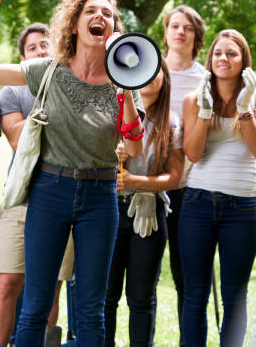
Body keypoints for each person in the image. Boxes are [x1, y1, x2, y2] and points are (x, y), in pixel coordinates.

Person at [0, 0, 144, 346]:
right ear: (75, 25)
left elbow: (136, 144)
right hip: (50, 190)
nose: (100, 17)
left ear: (114, 28)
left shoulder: (127, 79)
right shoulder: (48, 71)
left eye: (108, 14)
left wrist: (125, 85)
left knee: (91, 309)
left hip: (100, 194)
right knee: (34, 305)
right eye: (91, 11)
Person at [180, 29, 256, 346]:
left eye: (232, 53)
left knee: (235, 296)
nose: (224, 58)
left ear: (244, 61)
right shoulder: (194, 99)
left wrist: (245, 109)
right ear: (210, 59)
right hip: (197, 205)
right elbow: (192, 153)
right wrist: (206, 113)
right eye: (219, 53)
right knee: (195, 294)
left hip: (242, 207)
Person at [0, 23, 74, 346]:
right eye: (33, 48)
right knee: (8, 283)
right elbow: (14, 138)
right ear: (23, 58)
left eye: (46, 45)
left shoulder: (76, 84)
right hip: (22, 197)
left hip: (63, 196)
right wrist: (48, 96)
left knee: (50, 285)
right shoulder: (13, 91)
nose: (41, 51)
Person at [104, 59, 184, 347]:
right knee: (107, 295)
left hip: (149, 213)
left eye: (156, 71)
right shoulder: (111, 112)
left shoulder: (171, 122)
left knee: (141, 296)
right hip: (109, 211)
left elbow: (175, 178)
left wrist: (138, 182)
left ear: (164, 78)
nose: (150, 77)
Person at [161, 5, 207, 346]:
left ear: (196, 36)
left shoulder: (205, 77)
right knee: (139, 279)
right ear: (165, 33)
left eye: (187, 28)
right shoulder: (148, 69)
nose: (180, 32)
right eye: (174, 26)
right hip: (143, 184)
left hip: (188, 186)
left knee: (185, 275)